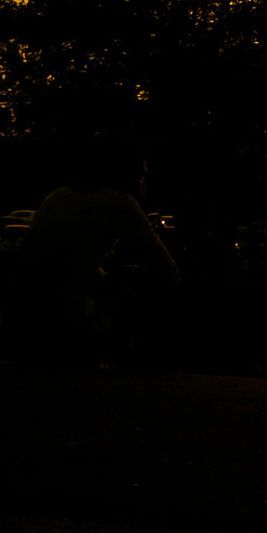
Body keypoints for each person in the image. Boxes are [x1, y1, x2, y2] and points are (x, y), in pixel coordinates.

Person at [21, 139, 180, 365]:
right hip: (69, 320)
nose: (145, 183)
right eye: (141, 174)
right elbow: (167, 269)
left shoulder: (57, 196)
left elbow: (66, 261)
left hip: (27, 317)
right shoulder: (119, 203)